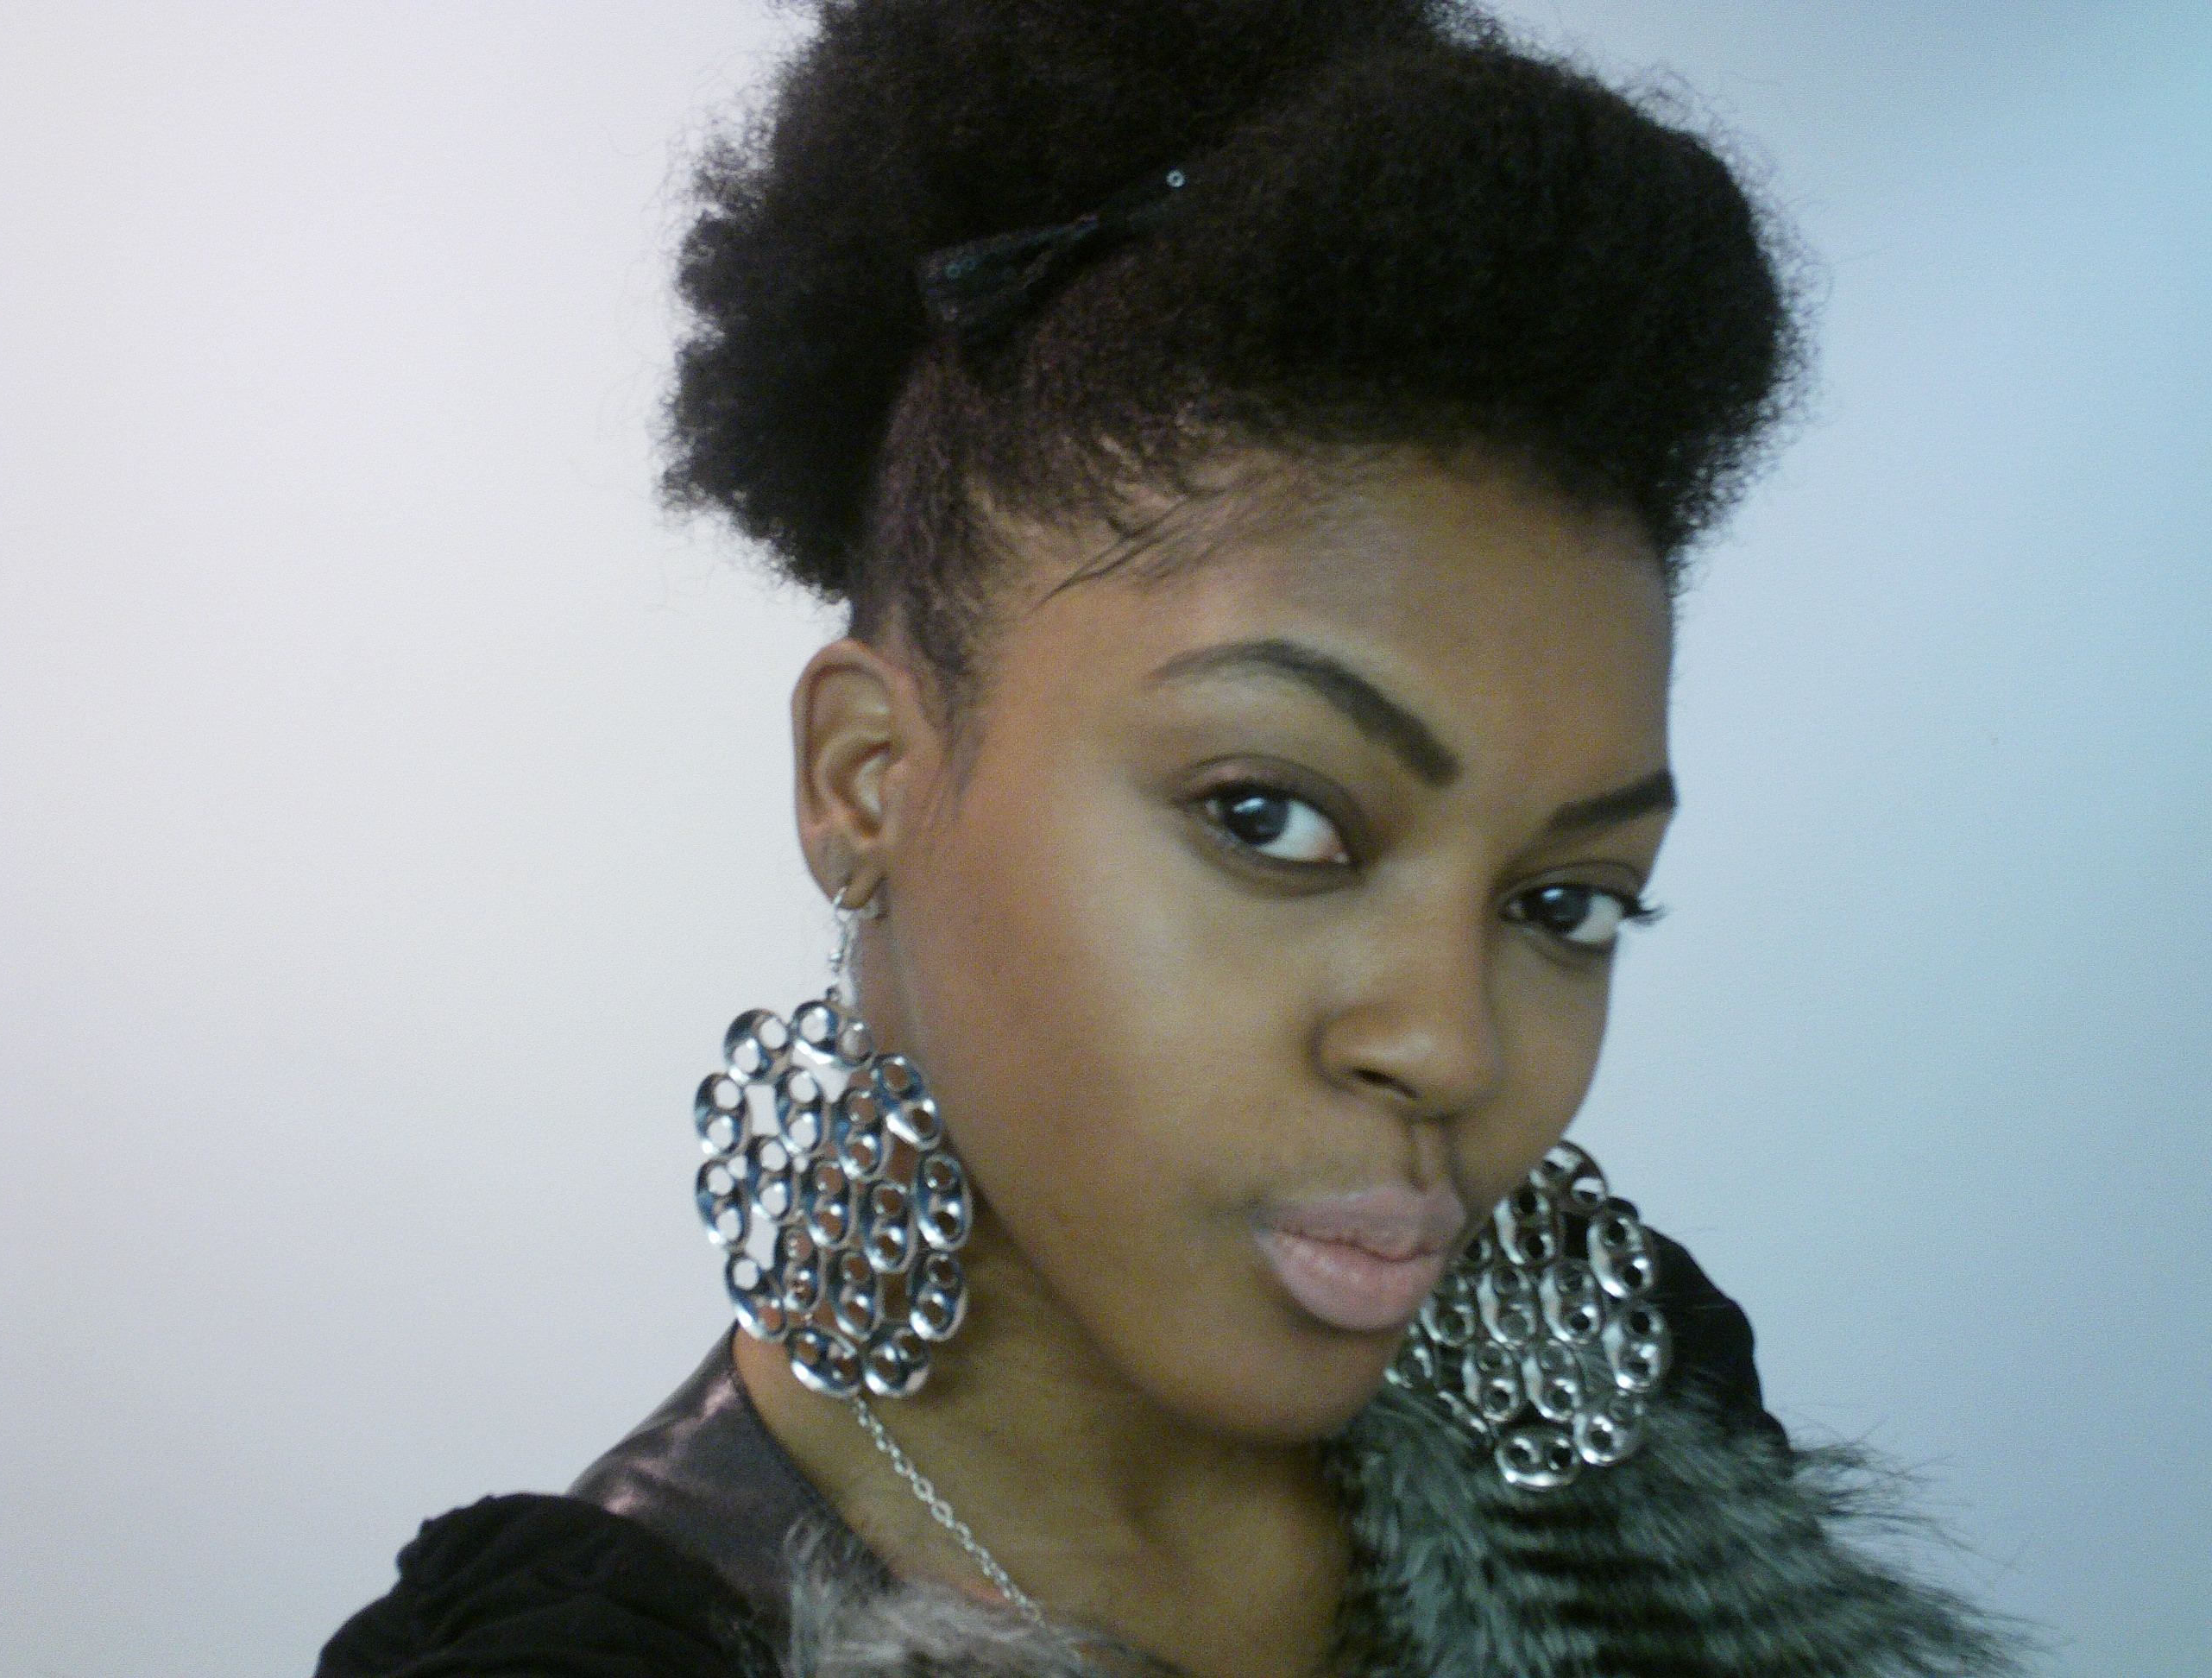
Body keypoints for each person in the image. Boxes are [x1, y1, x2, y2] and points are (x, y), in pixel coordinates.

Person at [318, 3, 2019, 1673]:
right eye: (1272, 818)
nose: (1450, 1046)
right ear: (865, 780)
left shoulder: (1632, 1421)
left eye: (1565, 902)